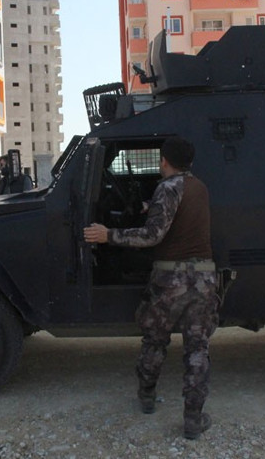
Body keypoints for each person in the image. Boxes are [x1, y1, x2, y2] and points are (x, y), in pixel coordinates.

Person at [83, 136, 219, 440]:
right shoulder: (199, 187)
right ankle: (193, 420)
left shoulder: (167, 188)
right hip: (205, 280)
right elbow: (180, 216)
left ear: (164, 161)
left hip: (171, 281)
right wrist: (150, 206)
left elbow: (152, 236)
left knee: (155, 341)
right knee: (197, 349)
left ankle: (146, 397)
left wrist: (108, 235)